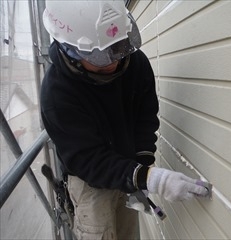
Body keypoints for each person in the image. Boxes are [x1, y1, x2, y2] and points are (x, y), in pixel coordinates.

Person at [40, 1, 209, 239]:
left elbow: (145, 119)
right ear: (70, 49)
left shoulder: (136, 65)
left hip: (129, 166)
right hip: (90, 181)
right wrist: (150, 179)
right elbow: (87, 159)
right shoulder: (57, 93)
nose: (114, 61)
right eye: (100, 55)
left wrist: (141, 171)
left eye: (119, 46)